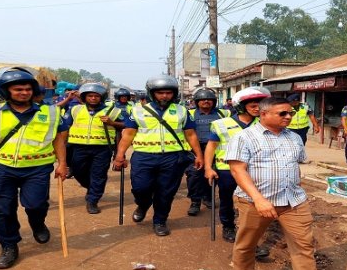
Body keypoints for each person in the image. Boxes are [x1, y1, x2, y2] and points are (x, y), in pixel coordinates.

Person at [226, 97, 342, 270]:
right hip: (255, 202)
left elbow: (296, 165)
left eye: (291, 113)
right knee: (247, 241)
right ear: (263, 114)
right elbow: (237, 170)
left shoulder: (295, 138)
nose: (289, 117)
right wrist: (259, 199)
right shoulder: (244, 137)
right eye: (283, 114)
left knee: (304, 245)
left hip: (293, 201)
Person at [0, 66, 68, 269]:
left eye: (28, 89)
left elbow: (58, 140)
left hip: (37, 168)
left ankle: (37, 223)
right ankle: (9, 246)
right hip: (1, 168)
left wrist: (63, 164)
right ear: (6, 91)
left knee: (36, 205)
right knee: (4, 210)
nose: (24, 93)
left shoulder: (51, 112)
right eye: (18, 89)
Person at [113, 75, 204, 237]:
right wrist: (120, 155)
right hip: (143, 157)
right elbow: (127, 135)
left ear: (174, 93)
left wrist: (199, 155)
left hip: (172, 158)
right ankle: (143, 204)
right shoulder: (138, 111)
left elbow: (190, 135)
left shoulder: (182, 111)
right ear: (152, 93)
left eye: (168, 93)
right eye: (160, 93)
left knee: (166, 192)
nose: (164, 96)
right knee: (141, 188)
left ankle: (160, 221)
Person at [204, 87, 270, 242]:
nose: (257, 109)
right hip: (227, 171)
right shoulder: (221, 124)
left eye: (260, 105)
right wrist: (208, 168)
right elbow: (211, 146)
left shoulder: (264, 124)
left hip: (255, 171)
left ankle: (251, 232)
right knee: (226, 200)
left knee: (253, 201)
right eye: (253, 105)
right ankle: (228, 227)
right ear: (241, 106)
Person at [64, 83, 125, 214]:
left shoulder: (113, 111)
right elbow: (65, 127)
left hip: (102, 148)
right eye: (90, 96)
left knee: (99, 175)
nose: (93, 98)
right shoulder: (75, 109)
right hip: (78, 147)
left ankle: (93, 200)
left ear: (101, 97)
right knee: (78, 173)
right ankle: (92, 188)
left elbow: (125, 125)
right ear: (84, 97)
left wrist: (111, 123)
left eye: (96, 96)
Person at [185, 88, 230, 216]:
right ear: (196, 101)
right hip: (195, 150)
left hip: (217, 149)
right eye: (202, 99)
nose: (206, 101)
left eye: (209, 99)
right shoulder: (190, 114)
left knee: (213, 173)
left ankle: (208, 197)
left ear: (214, 101)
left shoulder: (223, 113)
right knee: (194, 176)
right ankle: (195, 202)